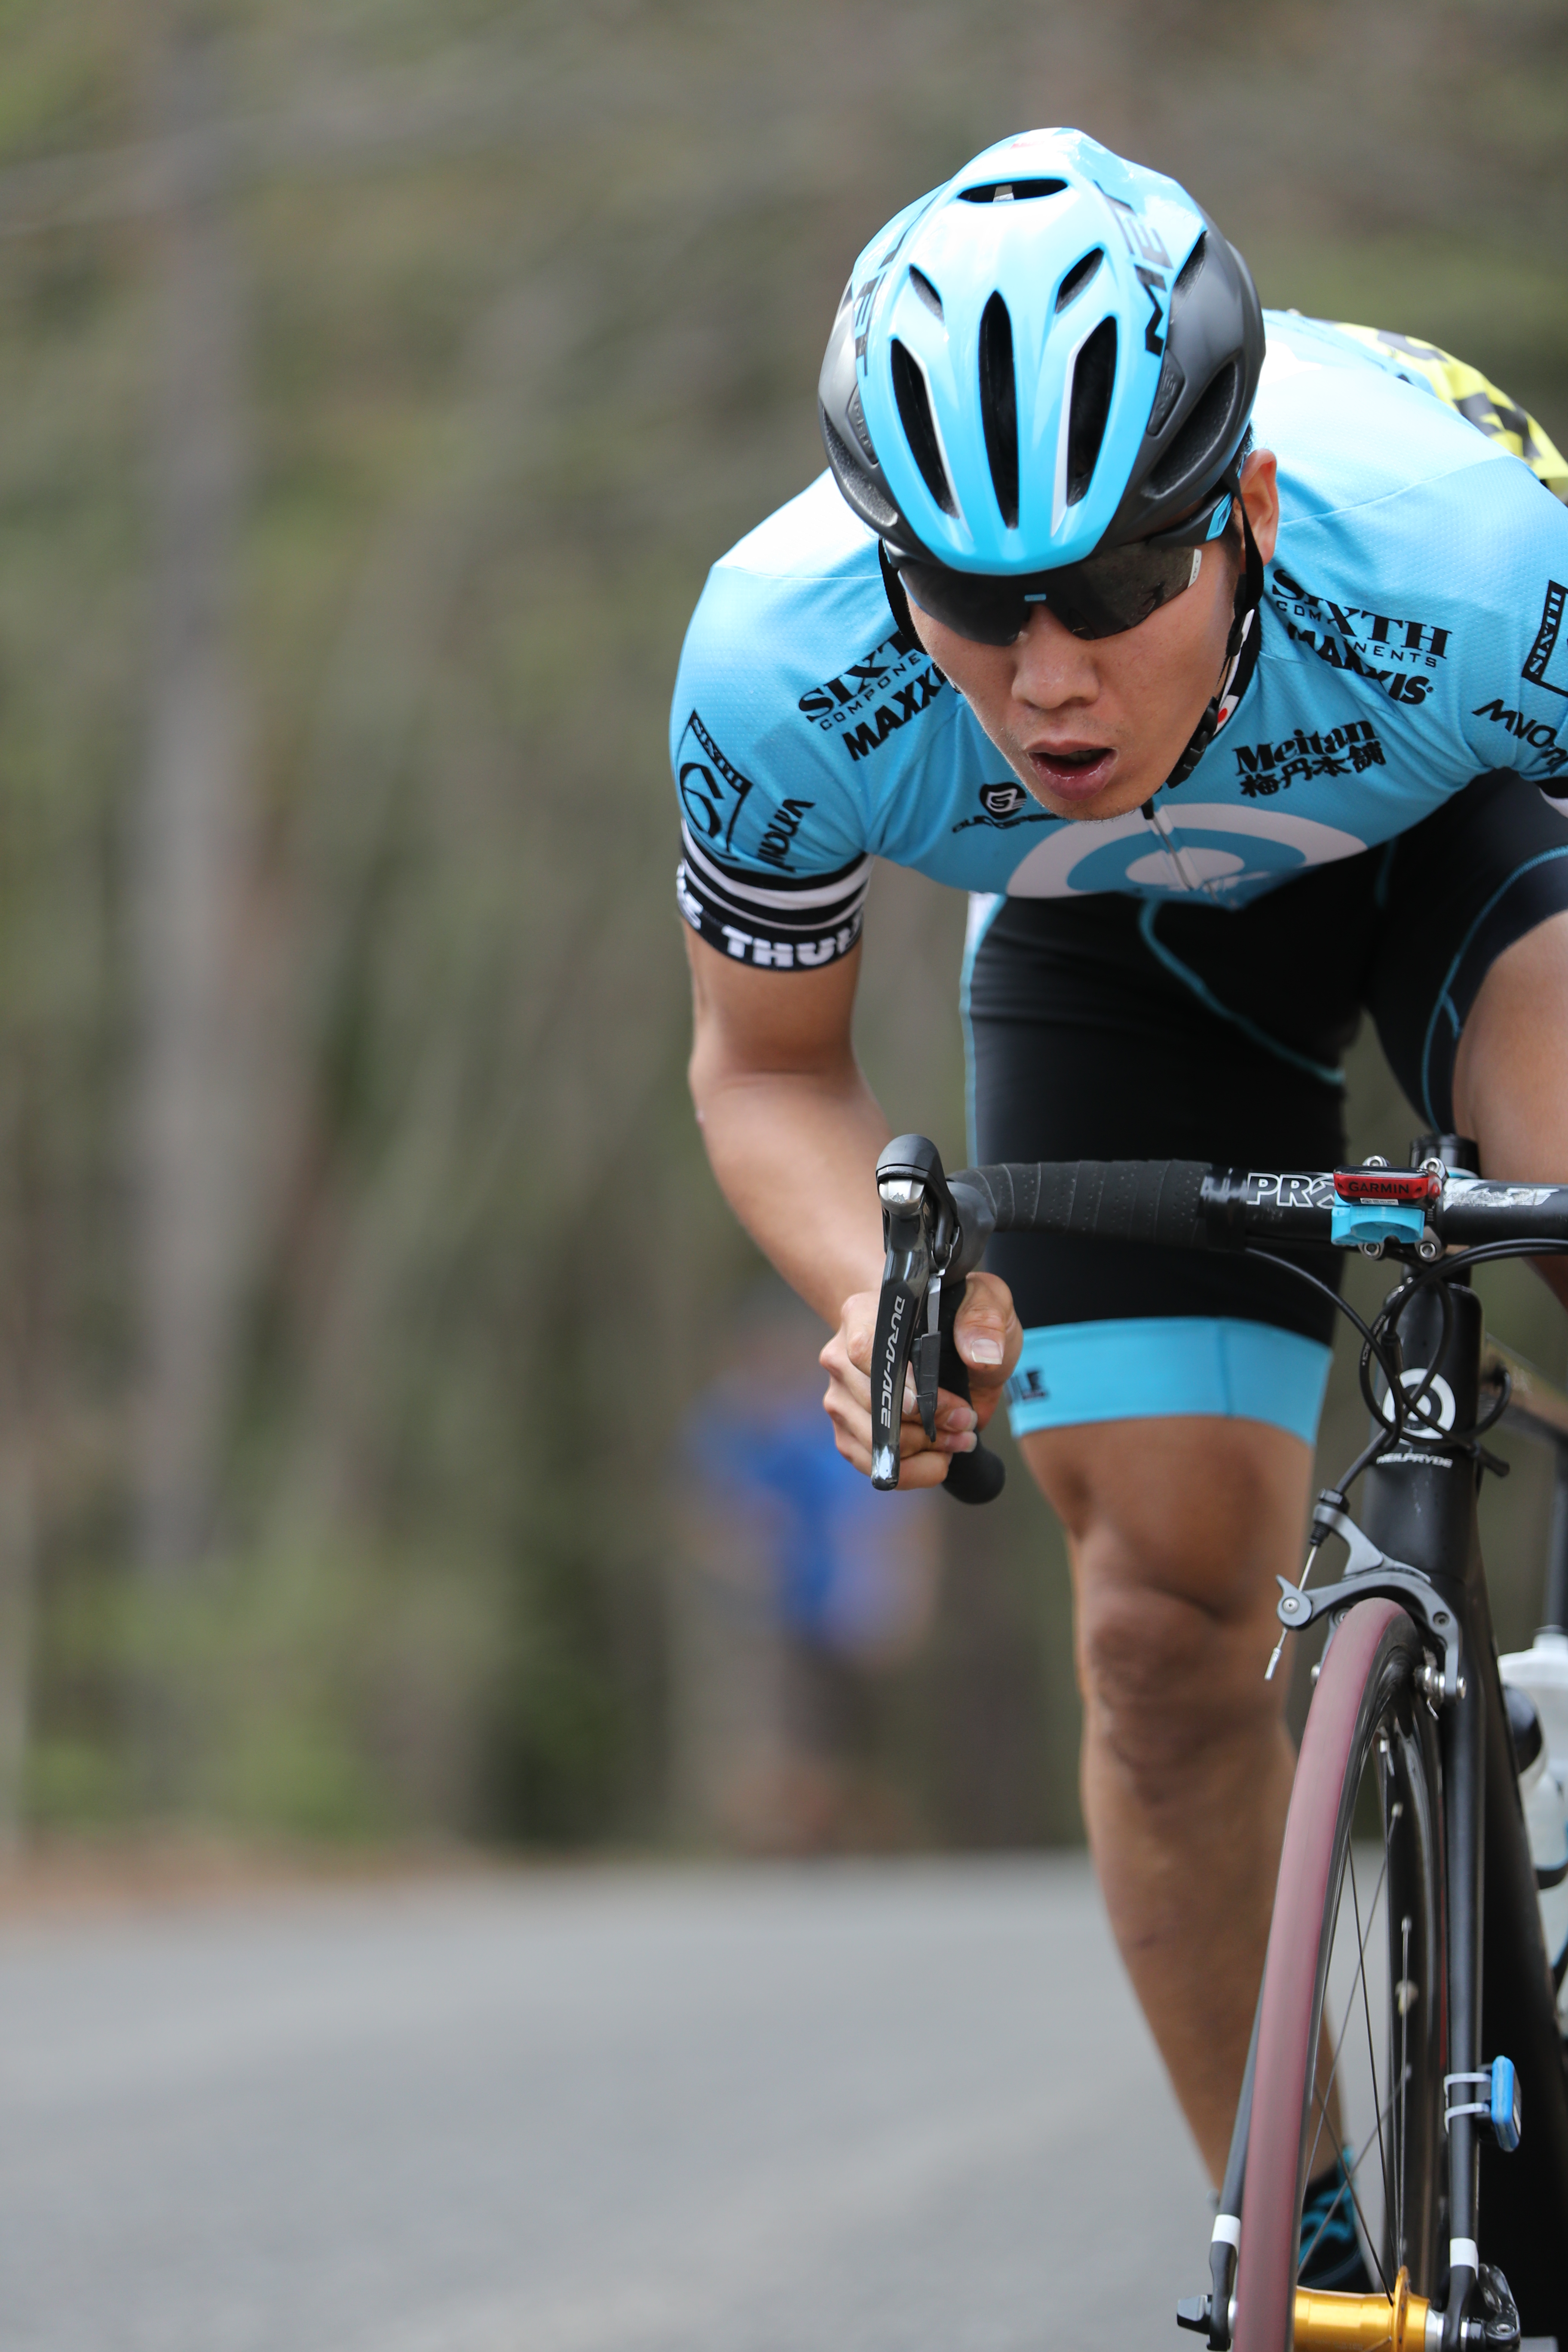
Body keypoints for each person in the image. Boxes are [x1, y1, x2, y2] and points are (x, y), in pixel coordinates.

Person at [668, 126, 1568, 2283]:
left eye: (1112, 591)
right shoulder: (780, 664)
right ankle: (1315, 2250)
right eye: (977, 609)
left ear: (1240, 512)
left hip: (1465, 833)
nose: (1049, 677)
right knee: (1161, 1634)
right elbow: (768, 1072)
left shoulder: (1474, 555)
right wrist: (891, 1289)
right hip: (1117, 960)